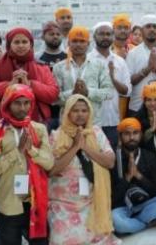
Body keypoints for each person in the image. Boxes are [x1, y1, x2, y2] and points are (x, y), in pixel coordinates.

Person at [0, 84, 53, 245]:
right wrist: (17, 151)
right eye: (17, 103)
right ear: (8, 104)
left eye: (26, 103)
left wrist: (30, 150)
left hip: (35, 200)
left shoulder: (39, 129)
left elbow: (49, 163)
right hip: (9, 202)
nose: (22, 108)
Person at [48, 94, 119, 245]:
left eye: (84, 110)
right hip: (63, 203)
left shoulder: (96, 132)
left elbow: (110, 162)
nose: (80, 114)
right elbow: (51, 169)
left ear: (89, 112)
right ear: (67, 112)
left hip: (91, 199)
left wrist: (85, 147)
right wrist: (74, 147)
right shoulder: (56, 135)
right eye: (75, 110)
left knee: (98, 238)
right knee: (62, 241)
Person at [110, 117, 156, 235]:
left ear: (141, 134)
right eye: (127, 134)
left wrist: (139, 176)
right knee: (116, 221)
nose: (132, 137)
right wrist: (128, 177)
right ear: (120, 136)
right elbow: (113, 198)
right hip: (123, 207)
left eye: (135, 133)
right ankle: (146, 223)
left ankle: (134, 224)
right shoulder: (113, 158)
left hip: (144, 205)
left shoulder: (149, 156)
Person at [0, 28, 59, 124]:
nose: (21, 45)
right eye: (16, 42)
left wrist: (30, 84)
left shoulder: (41, 66)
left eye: (24, 42)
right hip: (4, 121)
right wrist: (9, 85)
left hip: (37, 121)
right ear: (9, 45)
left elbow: (53, 94)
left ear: (30, 44)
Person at [53, 26, 114, 129]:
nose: (78, 44)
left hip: (93, 123)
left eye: (82, 41)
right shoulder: (59, 67)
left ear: (88, 44)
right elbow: (54, 99)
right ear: (68, 43)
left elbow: (109, 93)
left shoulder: (99, 65)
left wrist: (88, 92)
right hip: (67, 125)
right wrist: (72, 93)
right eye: (75, 41)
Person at [89, 22, 132, 149]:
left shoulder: (119, 62)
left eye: (108, 34)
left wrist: (113, 79)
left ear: (113, 36)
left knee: (113, 161)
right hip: (92, 122)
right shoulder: (87, 60)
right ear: (94, 36)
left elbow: (127, 91)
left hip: (114, 120)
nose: (105, 37)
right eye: (101, 34)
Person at [126, 14, 156, 117]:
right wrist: (146, 70)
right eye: (148, 26)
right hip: (137, 106)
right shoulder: (133, 53)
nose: (152, 29)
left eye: (154, 26)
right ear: (142, 29)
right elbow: (128, 81)